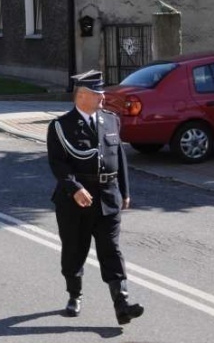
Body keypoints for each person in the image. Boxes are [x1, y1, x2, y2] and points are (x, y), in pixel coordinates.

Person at [46, 70, 145, 325]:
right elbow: (58, 163)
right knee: (74, 250)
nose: (103, 97)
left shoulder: (110, 120)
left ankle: (122, 304)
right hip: (75, 200)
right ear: (81, 95)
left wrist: (125, 191)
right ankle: (74, 294)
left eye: (102, 93)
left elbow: (119, 156)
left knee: (111, 250)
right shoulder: (60, 126)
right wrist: (74, 188)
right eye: (97, 93)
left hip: (108, 196)